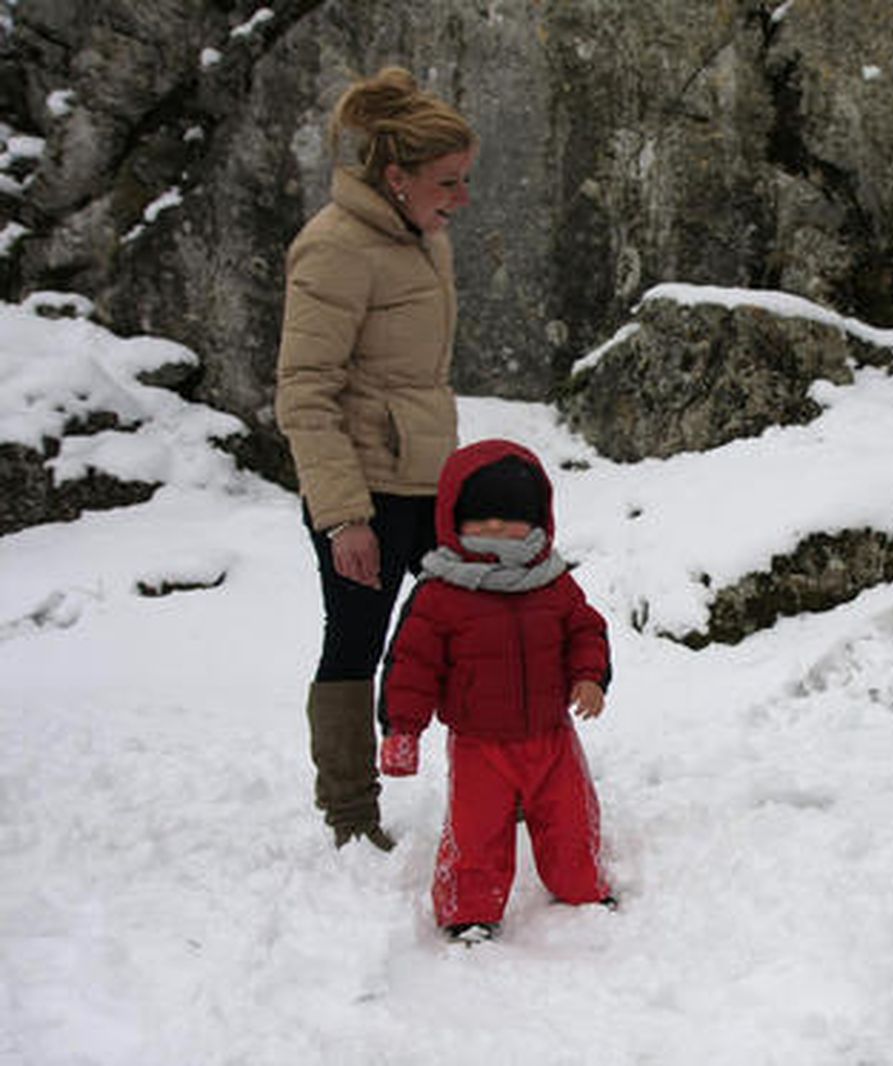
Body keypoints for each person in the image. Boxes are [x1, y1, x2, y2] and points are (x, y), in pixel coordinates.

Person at [274, 67, 478, 850]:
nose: (460, 198)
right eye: (447, 182)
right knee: (355, 641)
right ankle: (353, 818)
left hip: (430, 478)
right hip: (362, 491)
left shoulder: (422, 237)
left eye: (465, 180)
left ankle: (493, 777)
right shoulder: (333, 249)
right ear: (395, 178)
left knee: (463, 623)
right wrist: (343, 518)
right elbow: (305, 392)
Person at [379, 439, 615, 943]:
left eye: (509, 519)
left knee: (570, 819)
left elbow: (585, 632)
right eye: (479, 519)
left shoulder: (552, 581)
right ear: (453, 520)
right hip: (478, 745)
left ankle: (582, 888)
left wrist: (590, 676)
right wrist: (403, 728)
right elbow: (411, 666)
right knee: (477, 830)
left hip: (552, 737)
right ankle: (468, 910)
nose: (494, 530)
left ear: (536, 520)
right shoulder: (440, 592)